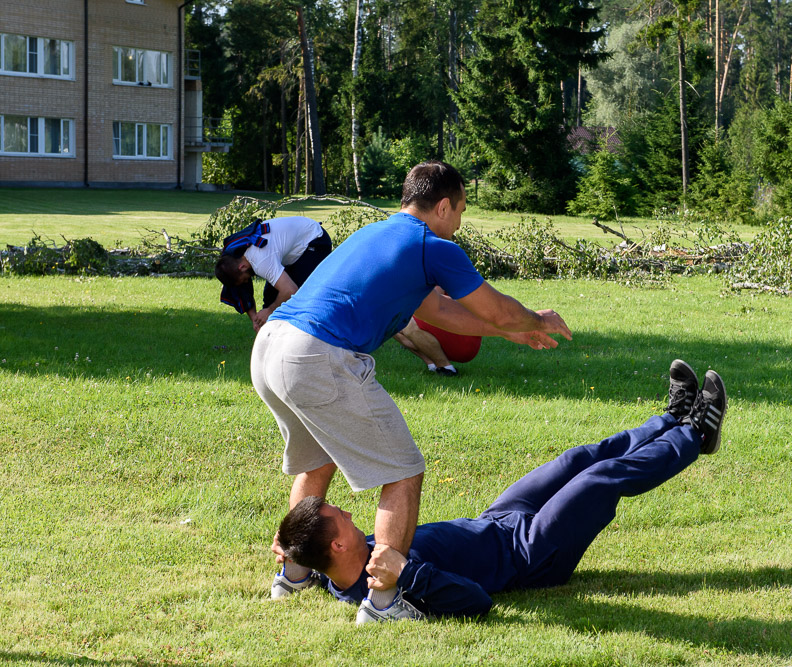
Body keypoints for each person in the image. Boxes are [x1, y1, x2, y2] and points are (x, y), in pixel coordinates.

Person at [251, 161, 573, 622]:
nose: (459, 223)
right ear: (442, 206)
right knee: (401, 472)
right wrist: (534, 321)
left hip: (270, 348)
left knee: (314, 462)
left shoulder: (377, 234)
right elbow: (497, 308)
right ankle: (383, 601)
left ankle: (296, 574)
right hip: (316, 355)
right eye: (460, 210)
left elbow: (439, 310)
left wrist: (509, 333)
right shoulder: (431, 245)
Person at [274, 361, 727, 623]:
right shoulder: (384, 586)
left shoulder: (336, 569)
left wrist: (293, 555)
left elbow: (313, 566)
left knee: (575, 459)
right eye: (342, 518)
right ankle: (695, 436)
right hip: (529, 553)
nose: (352, 515)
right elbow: (476, 602)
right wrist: (407, 573)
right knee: (598, 480)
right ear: (336, 544)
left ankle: (671, 418)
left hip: (497, 519)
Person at [215, 216, 332, 332]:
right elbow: (242, 291)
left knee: (297, 300)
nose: (247, 281)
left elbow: (290, 290)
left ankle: (302, 336)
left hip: (315, 240)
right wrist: (256, 320)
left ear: (242, 267)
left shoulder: (261, 260)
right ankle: (269, 337)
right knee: (271, 297)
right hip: (292, 248)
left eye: (245, 279)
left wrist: (269, 311)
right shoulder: (233, 256)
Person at [393, 289, 484, 377]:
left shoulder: (433, 274)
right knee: (390, 325)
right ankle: (432, 364)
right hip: (452, 328)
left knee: (408, 324)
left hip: (464, 338)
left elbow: (432, 303)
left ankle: (446, 368)